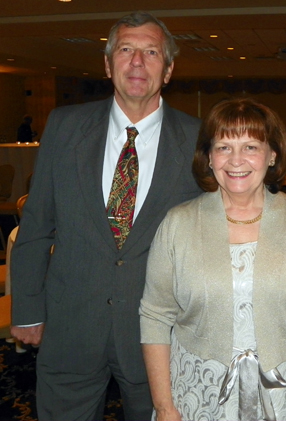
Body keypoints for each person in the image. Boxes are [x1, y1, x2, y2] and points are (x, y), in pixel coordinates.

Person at [10, 11, 202, 421]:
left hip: (158, 336)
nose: (137, 62)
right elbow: (37, 223)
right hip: (70, 325)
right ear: (107, 63)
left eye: (151, 52)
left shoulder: (197, 139)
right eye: (126, 50)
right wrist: (27, 309)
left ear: (167, 70)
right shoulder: (64, 127)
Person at [139, 97, 286, 421]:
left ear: (272, 155)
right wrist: (165, 407)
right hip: (199, 396)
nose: (236, 160)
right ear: (209, 157)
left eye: (251, 147)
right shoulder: (178, 224)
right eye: (224, 147)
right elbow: (155, 316)